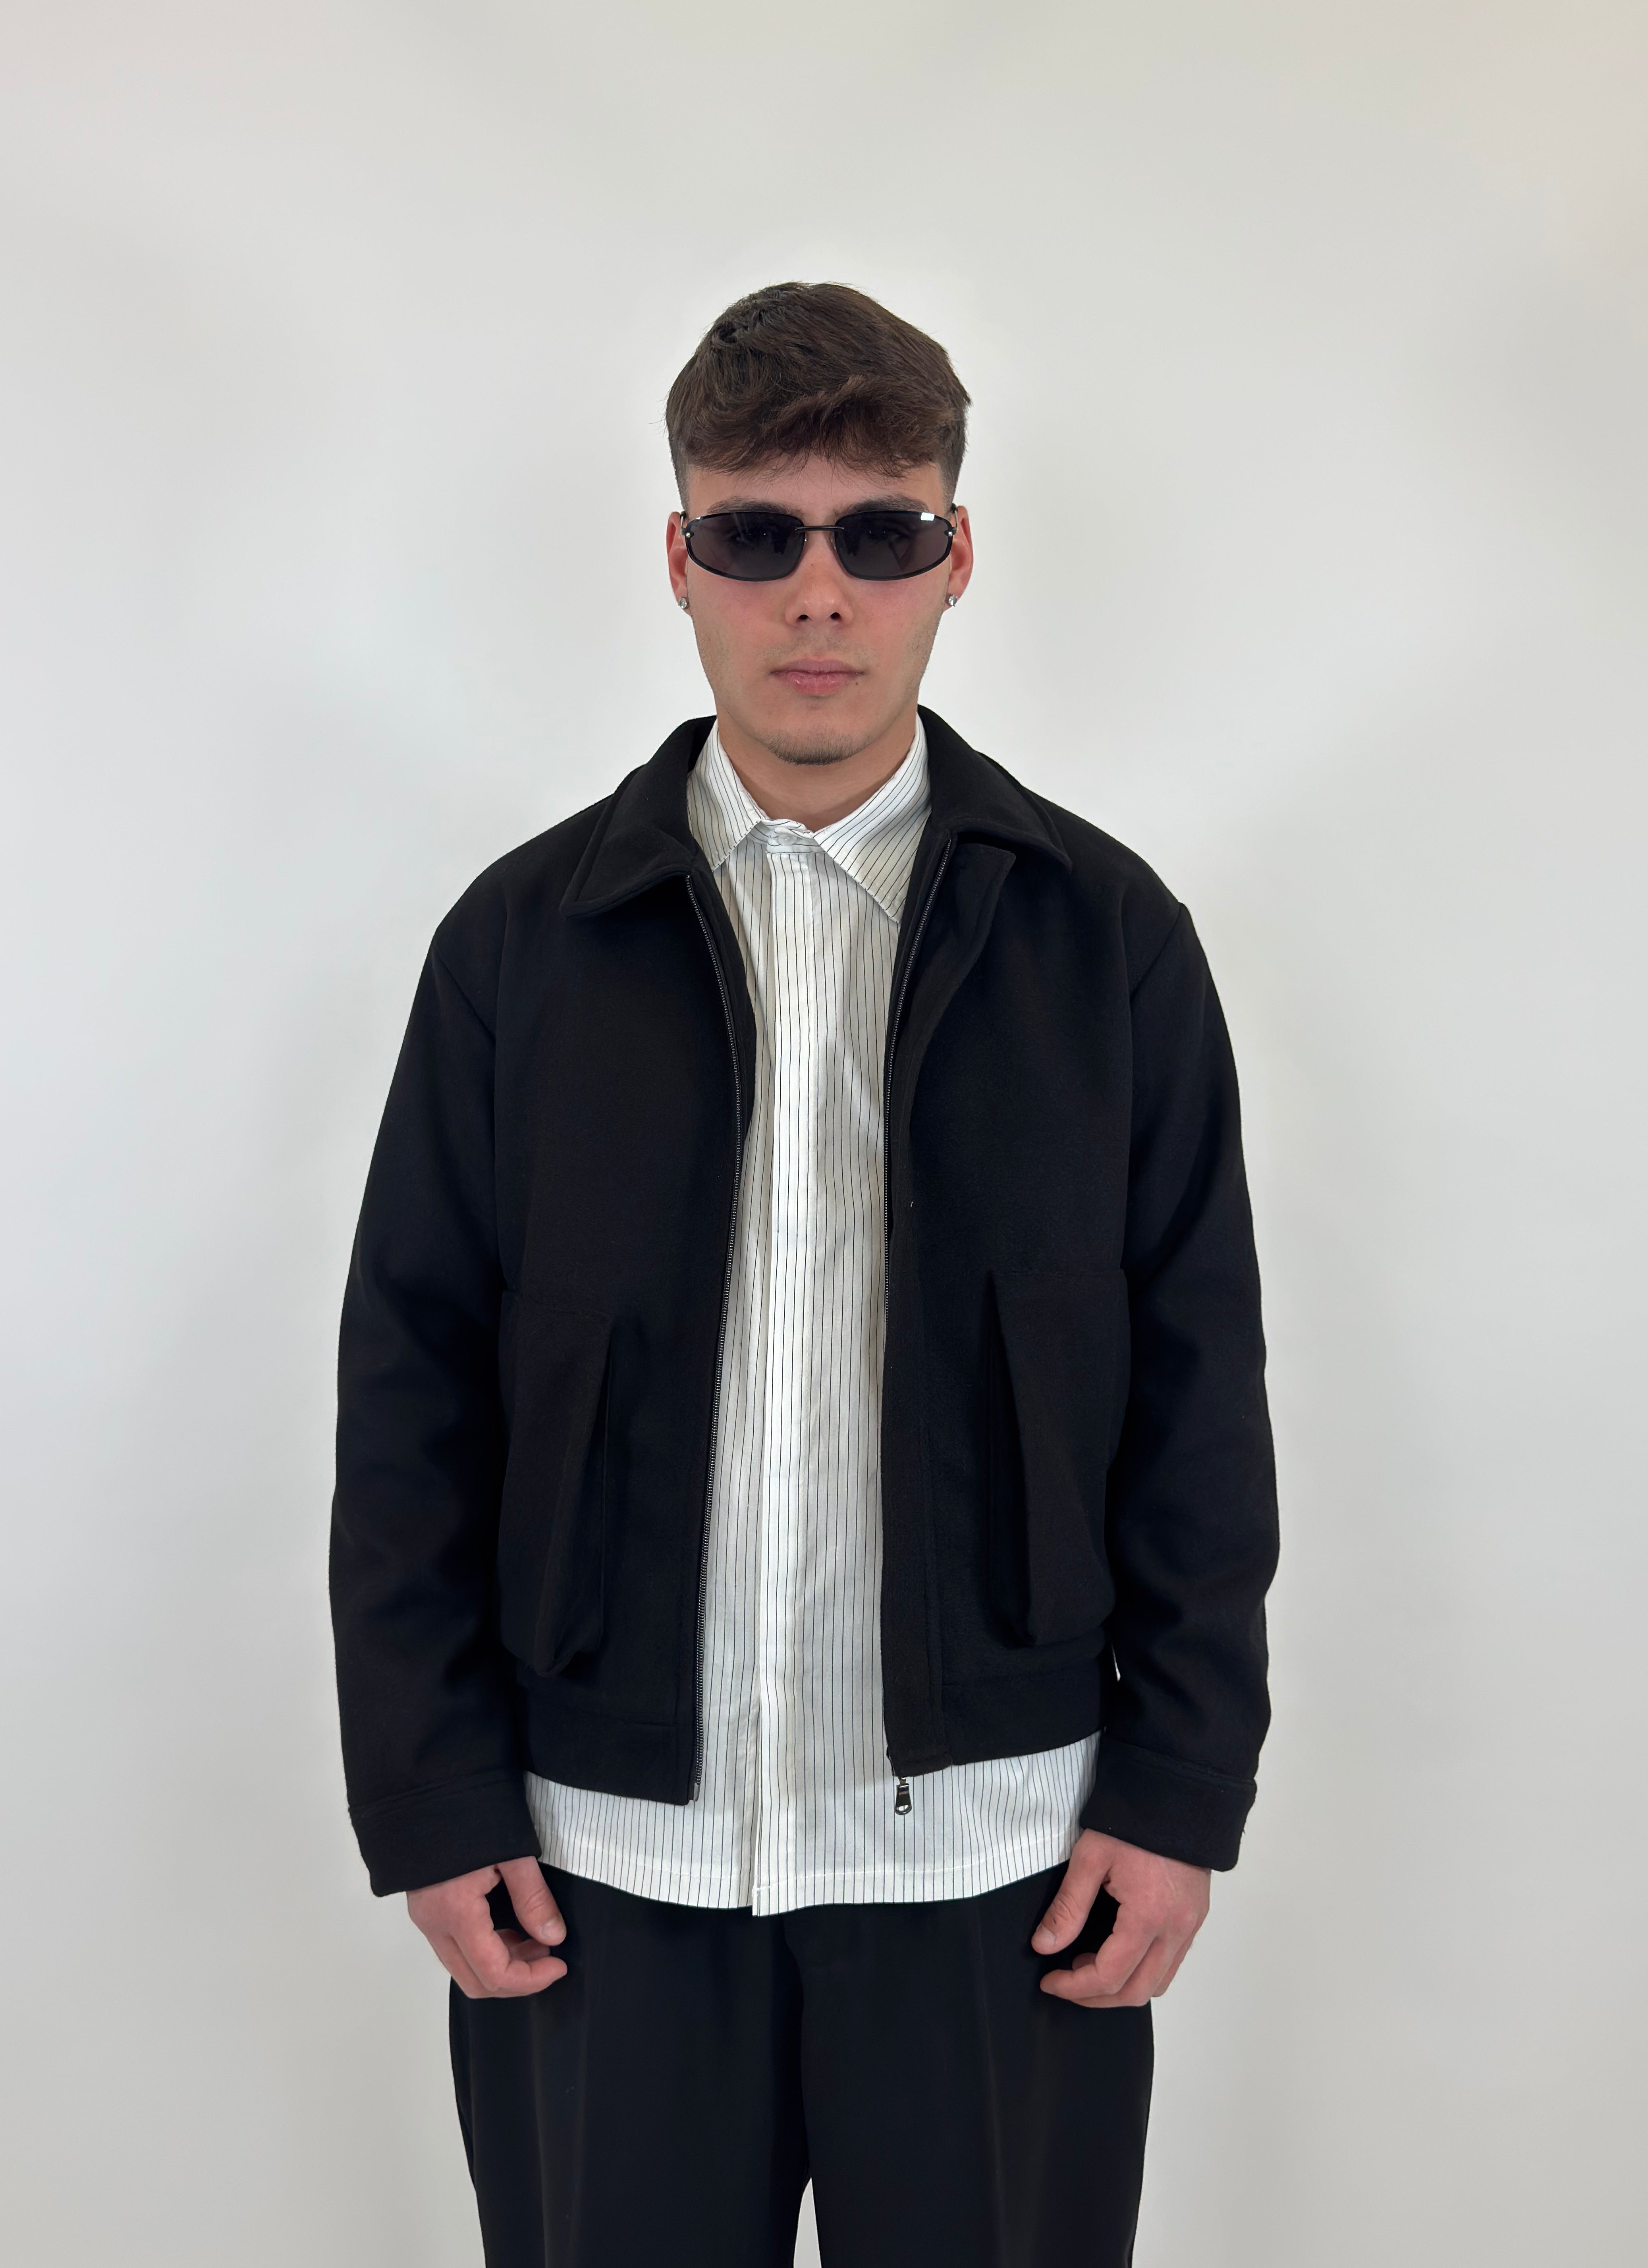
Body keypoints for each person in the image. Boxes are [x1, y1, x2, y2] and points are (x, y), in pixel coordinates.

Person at [330, 281, 1279, 2268]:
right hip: (602, 1862)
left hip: (1006, 1859)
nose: (819, 592)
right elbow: (415, 1387)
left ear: (957, 555)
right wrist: (432, 1791)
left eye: (881, 532)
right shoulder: (522, 947)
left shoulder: (1106, 942)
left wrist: (1181, 1782)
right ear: (683, 559)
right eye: (759, 534)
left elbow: (1199, 1391)